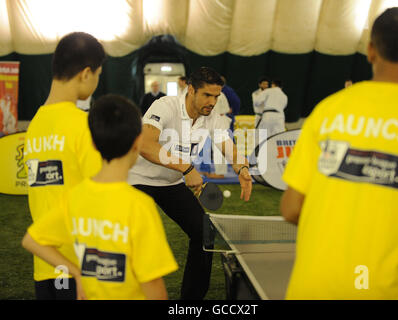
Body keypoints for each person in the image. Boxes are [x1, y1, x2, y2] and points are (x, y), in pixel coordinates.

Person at [280, 7, 398, 299]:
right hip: (384, 290)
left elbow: (291, 207)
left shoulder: (327, 111)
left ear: (371, 51)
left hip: (312, 287)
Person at [22, 94, 178, 300]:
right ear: (138, 142)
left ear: (93, 144)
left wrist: (76, 272)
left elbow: (32, 241)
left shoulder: (75, 197)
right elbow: (152, 284)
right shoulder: (139, 206)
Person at [128, 66, 253, 300]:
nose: (213, 102)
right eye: (207, 95)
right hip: (137, 180)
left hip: (171, 184)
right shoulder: (165, 106)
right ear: (191, 90)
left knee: (205, 234)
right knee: (127, 241)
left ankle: (191, 302)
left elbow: (227, 146)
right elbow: (145, 145)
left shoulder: (212, 117)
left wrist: (242, 167)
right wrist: (187, 168)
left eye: (216, 96)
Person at [23, 32, 105, 300]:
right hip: (79, 267)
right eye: (98, 75)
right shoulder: (83, 125)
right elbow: (98, 204)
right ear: (86, 73)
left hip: (46, 264)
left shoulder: (35, 125)